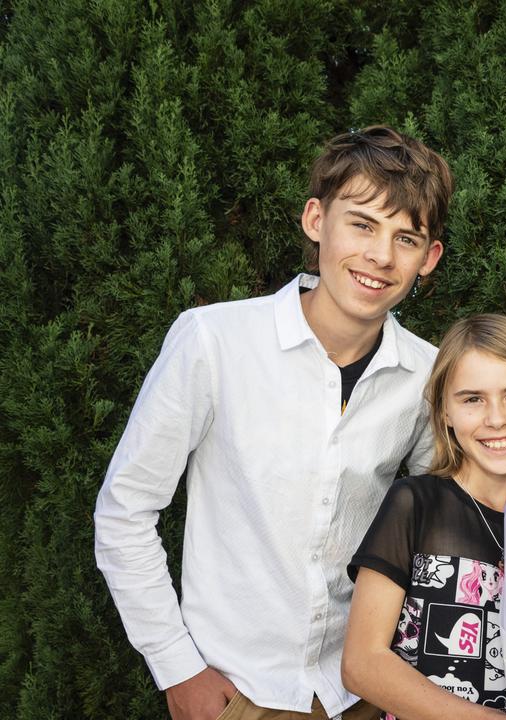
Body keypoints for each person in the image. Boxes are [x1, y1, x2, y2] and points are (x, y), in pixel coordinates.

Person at [94, 126, 452, 720]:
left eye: (405, 238)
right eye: (362, 224)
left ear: (428, 258)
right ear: (317, 219)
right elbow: (124, 510)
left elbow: (444, 524)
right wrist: (178, 668)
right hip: (239, 695)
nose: (381, 256)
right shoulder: (214, 342)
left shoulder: (428, 375)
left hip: (362, 693)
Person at [342, 314, 506, 719]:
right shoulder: (415, 503)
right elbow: (362, 664)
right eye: (472, 399)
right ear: (444, 411)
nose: (496, 418)